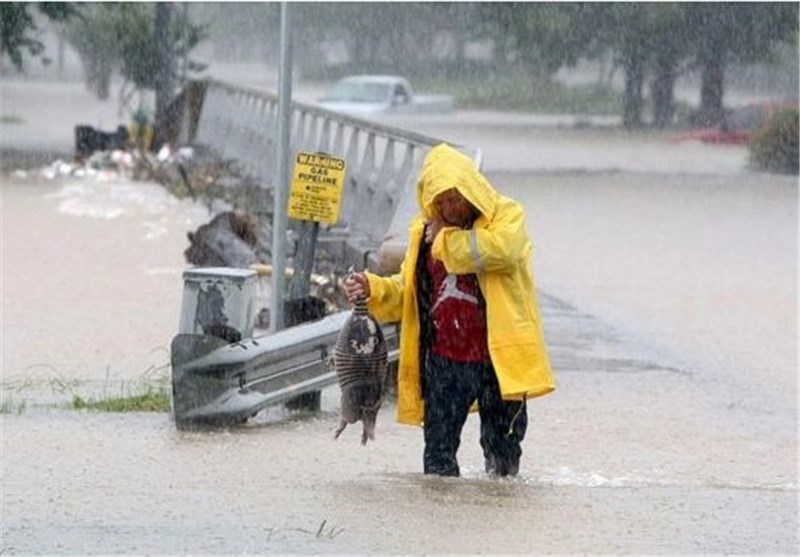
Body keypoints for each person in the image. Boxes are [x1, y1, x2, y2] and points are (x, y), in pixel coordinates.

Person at [344, 143, 555, 477]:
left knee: (503, 459)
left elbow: (502, 251)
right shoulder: (424, 233)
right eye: (439, 202)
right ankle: (439, 522)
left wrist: (445, 239)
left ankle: (496, 521)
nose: (448, 208)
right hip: (445, 362)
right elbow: (409, 293)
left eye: (454, 199)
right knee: (437, 459)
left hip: (498, 361)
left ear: (471, 192)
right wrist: (374, 288)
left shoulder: (506, 217)